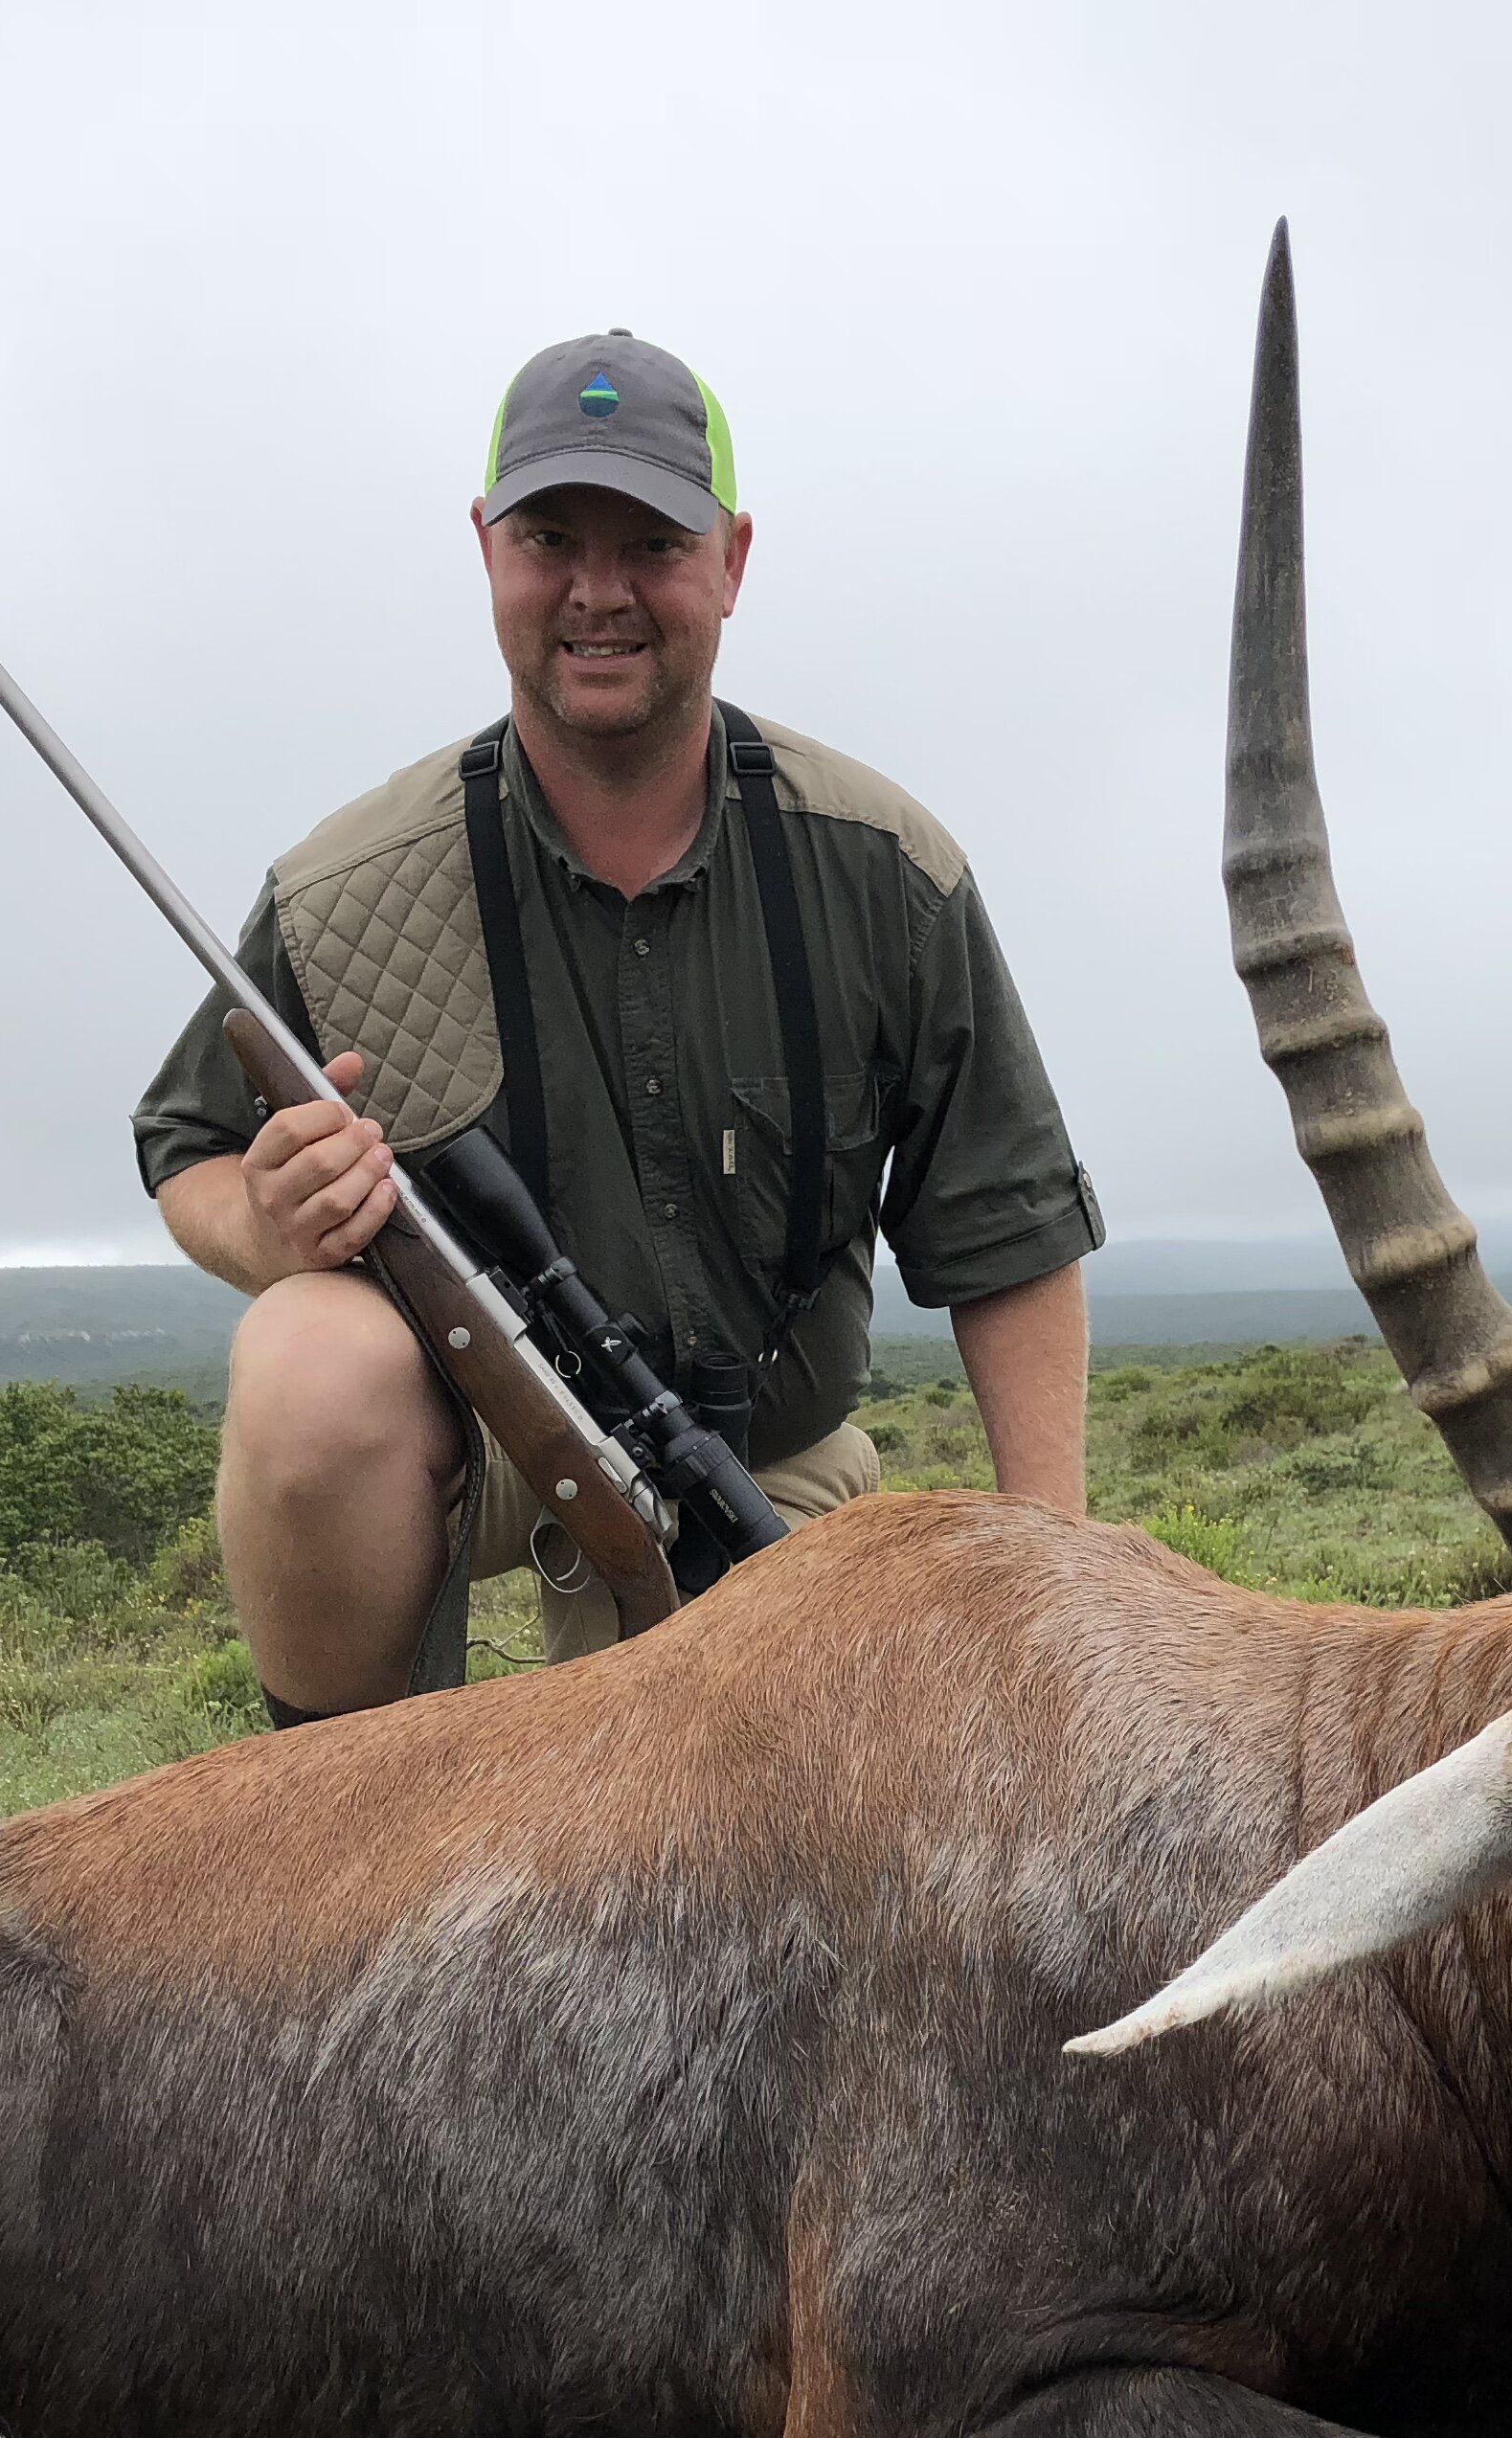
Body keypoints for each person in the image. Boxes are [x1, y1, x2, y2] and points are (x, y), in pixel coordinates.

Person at [133, 328, 1101, 1722]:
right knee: (305, 1359)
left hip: (766, 1469)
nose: (598, 592)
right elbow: (189, 1152)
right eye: (550, 539)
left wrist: (1050, 1602)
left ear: (731, 561)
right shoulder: (347, 890)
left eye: (650, 541)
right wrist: (271, 1227)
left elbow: (1008, 1234)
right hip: (482, 1446)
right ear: (487, 551)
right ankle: (330, 1801)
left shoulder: (884, 869)